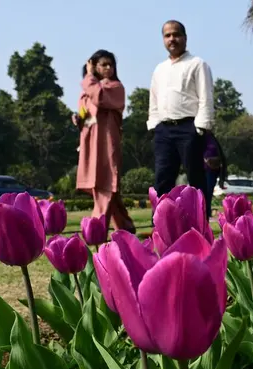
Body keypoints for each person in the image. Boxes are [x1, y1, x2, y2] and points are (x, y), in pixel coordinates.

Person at [147, 20, 214, 206]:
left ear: (185, 37)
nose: (172, 39)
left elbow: (205, 97)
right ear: (163, 40)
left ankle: (201, 224)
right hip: (164, 130)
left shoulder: (197, 64)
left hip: (189, 128)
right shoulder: (160, 69)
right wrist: (154, 124)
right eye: (167, 35)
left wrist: (201, 127)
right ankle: (160, 225)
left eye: (176, 34)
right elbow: (154, 99)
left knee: (196, 179)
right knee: (162, 179)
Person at [74, 50, 135, 233]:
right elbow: (87, 114)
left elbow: (100, 98)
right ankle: (125, 228)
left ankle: (96, 229)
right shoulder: (87, 91)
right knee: (106, 187)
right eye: (104, 64)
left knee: (106, 183)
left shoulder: (115, 87)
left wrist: (89, 76)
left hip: (106, 143)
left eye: (111, 64)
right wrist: (78, 120)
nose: (108, 68)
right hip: (91, 144)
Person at [203, 132, 227, 219]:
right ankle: (203, 212)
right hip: (201, 170)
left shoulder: (212, 139)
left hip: (211, 171)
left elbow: (221, 159)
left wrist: (222, 177)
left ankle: (206, 212)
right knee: (201, 193)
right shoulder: (196, 136)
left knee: (208, 193)